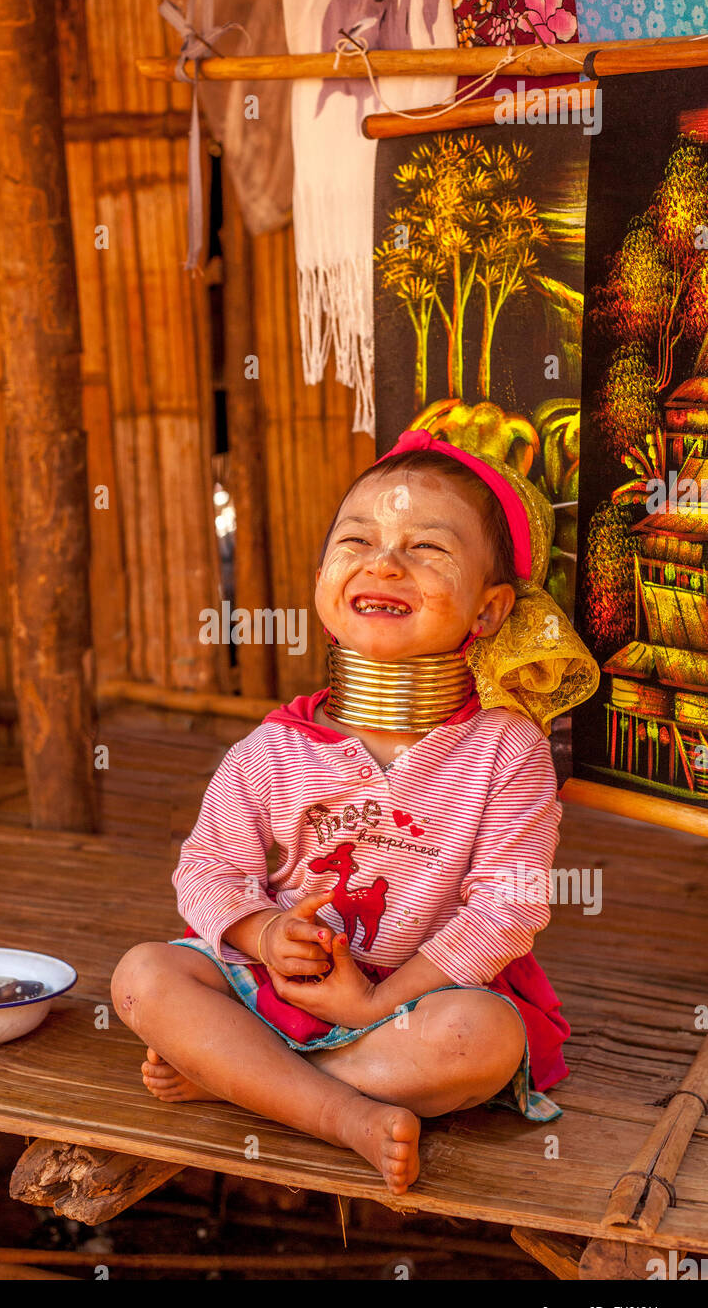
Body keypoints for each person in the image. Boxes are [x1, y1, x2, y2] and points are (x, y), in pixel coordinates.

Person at [111, 429, 600, 1195]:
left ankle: (241, 1078)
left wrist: (377, 997)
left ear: (490, 608)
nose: (383, 562)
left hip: (417, 1005)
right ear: (321, 582)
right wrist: (265, 933)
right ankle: (343, 1112)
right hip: (276, 986)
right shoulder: (270, 750)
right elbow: (208, 869)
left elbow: (506, 912)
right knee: (142, 976)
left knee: (485, 1039)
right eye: (357, 541)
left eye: (427, 549)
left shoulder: (506, 750)